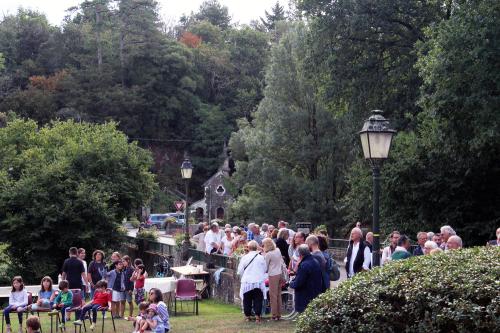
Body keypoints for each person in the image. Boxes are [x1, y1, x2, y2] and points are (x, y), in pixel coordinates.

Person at [237, 240, 267, 323]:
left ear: (248, 248)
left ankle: (248, 316)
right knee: (258, 299)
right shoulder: (261, 257)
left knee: (247, 300)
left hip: (247, 281)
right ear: (256, 247)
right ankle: (257, 317)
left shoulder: (244, 257)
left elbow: (240, 271)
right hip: (258, 281)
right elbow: (265, 269)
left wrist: (245, 274)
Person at [289, 244, 323, 313]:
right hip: (315, 293)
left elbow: (299, 282)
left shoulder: (304, 265)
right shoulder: (315, 261)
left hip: (305, 297)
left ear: (300, 254)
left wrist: (291, 283)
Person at [262, 238, 284, 321]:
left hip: (273, 275)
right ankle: (279, 314)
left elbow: (265, 267)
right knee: (278, 295)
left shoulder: (268, 254)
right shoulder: (277, 250)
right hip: (279, 273)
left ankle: (274, 315)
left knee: (273, 296)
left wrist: (264, 255)